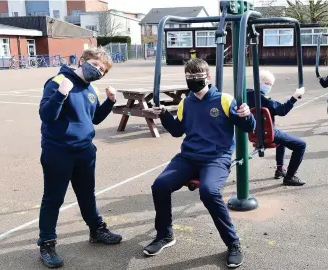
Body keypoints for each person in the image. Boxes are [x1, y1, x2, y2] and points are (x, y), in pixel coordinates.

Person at [144, 58, 256, 268]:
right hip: (189, 156)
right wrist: (164, 115)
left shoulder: (224, 99)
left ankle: (233, 243)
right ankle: (165, 235)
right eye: (190, 78)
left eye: (198, 78)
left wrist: (247, 115)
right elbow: (178, 131)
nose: (194, 82)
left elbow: (246, 126)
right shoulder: (186, 102)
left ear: (208, 78)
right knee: (159, 186)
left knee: (208, 192)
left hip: (216, 157)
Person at [37, 47, 122, 268]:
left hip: (84, 151)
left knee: (87, 194)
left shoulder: (90, 89)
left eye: (102, 70)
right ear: (83, 60)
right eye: (95, 65)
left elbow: (93, 119)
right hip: (58, 151)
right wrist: (61, 94)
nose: (98, 71)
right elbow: (46, 115)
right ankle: (46, 242)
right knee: (53, 198)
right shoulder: (58, 81)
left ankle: (96, 230)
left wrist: (110, 101)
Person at [246, 70, 306, 185]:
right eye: (267, 83)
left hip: (253, 132)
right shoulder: (263, 99)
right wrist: (294, 97)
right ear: (259, 82)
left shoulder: (247, 94)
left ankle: (280, 169)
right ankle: (290, 177)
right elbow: (282, 110)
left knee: (282, 138)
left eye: (270, 85)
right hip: (267, 133)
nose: (268, 86)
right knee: (301, 145)